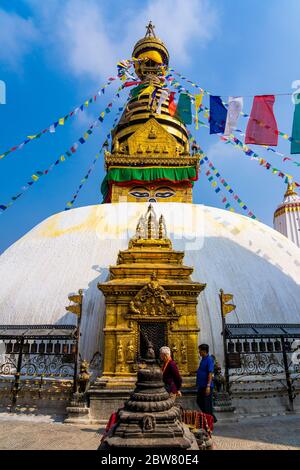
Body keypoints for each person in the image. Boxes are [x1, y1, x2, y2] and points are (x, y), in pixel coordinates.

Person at [196, 344, 217, 423]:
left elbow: (210, 373)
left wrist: (208, 385)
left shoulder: (209, 359)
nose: (199, 352)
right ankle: (211, 417)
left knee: (207, 403)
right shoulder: (203, 359)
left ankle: (209, 420)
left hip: (206, 386)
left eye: (200, 351)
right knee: (199, 401)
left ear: (204, 351)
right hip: (201, 385)